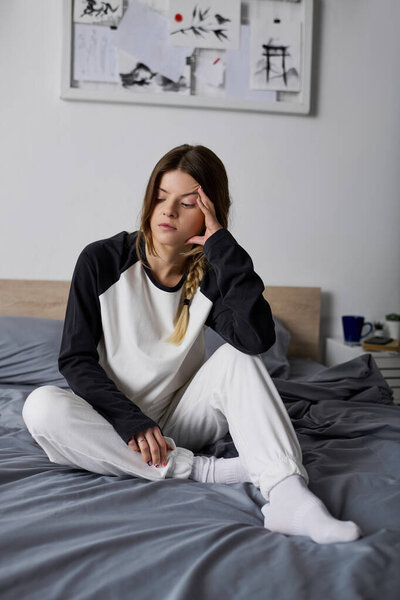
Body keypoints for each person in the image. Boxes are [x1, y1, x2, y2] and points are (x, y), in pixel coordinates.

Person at [23, 144, 361, 544]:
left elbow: (256, 339)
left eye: (187, 203)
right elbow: (75, 359)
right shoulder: (102, 260)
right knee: (41, 408)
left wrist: (224, 249)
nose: (168, 211)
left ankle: (289, 496)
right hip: (111, 423)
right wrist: (131, 420)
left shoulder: (212, 274)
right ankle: (204, 471)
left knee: (239, 359)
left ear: (209, 213)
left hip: (182, 420)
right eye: (161, 198)